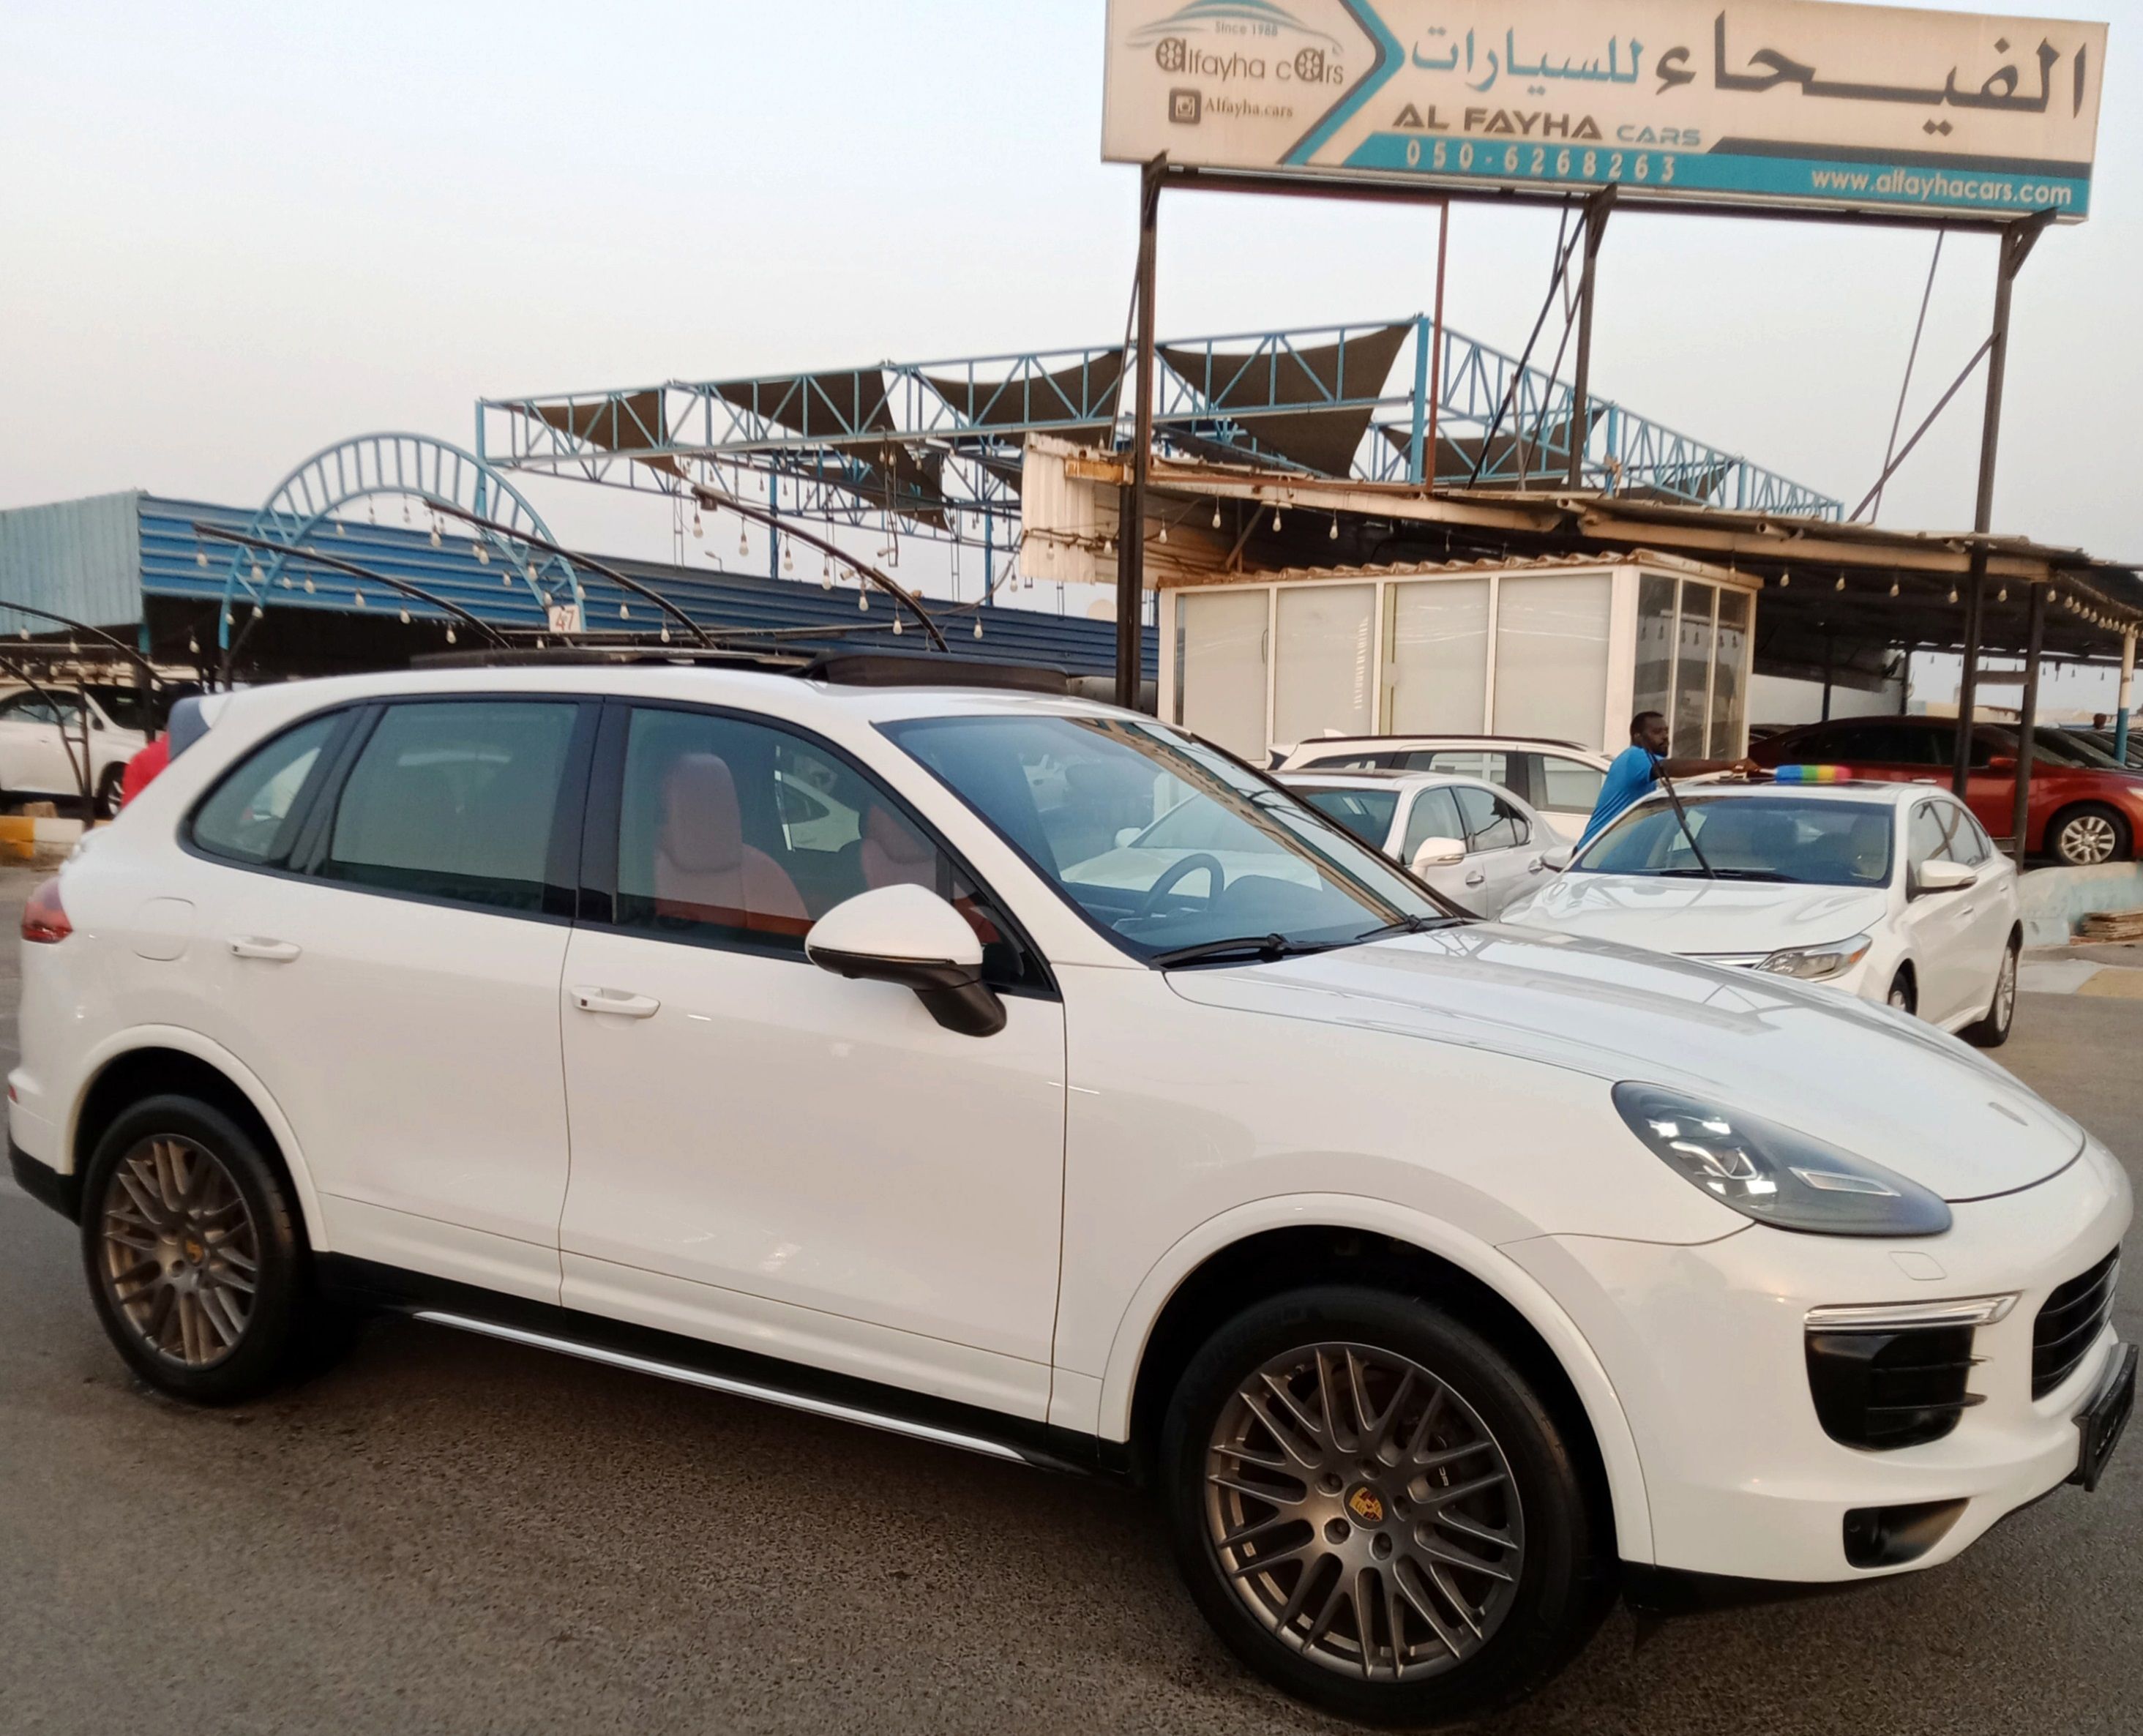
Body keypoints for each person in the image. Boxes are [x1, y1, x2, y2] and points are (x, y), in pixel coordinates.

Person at [1580, 711, 1759, 846]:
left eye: (1666, 731)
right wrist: (1729, 765)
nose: (1665, 736)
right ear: (1638, 737)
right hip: (1596, 855)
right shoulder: (1634, 757)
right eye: (1657, 732)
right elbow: (1668, 767)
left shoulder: (1644, 772)